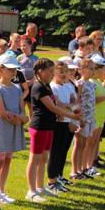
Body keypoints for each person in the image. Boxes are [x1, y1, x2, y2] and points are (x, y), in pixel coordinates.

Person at [25, 58, 79, 202]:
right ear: (41, 72)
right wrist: (73, 116)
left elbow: (56, 104)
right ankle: (31, 191)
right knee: (35, 159)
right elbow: (53, 107)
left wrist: (62, 114)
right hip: (39, 127)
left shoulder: (46, 86)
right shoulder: (38, 87)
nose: (52, 74)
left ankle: (40, 187)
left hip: (49, 126)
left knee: (43, 158)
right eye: (50, 71)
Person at [0, 54, 27, 205]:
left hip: (14, 125)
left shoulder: (17, 88)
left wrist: (22, 118)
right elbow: (2, 112)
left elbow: (22, 109)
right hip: (2, 127)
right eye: (10, 69)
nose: (14, 72)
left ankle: (1, 190)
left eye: (15, 69)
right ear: (0, 69)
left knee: (8, 159)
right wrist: (19, 119)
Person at [46, 60, 77, 194]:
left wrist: (68, 106)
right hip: (58, 123)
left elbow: (74, 102)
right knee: (55, 152)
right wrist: (68, 106)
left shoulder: (67, 86)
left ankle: (59, 175)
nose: (64, 74)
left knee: (63, 150)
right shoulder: (53, 87)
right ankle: (51, 180)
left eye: (65, 72)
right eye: (60, 72)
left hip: (67, 121)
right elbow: (57, 105)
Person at [71, 57, 98, 180]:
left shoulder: (92, 84)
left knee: (84, 144)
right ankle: (74, 170)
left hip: (90, 117)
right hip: (82, 118)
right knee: (78, 144)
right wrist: (79, 116)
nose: (93, 71)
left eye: (94, 68)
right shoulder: (79, 84)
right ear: (81, 70)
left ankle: (81, 169)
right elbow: (77, 100)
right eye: (90, 68)